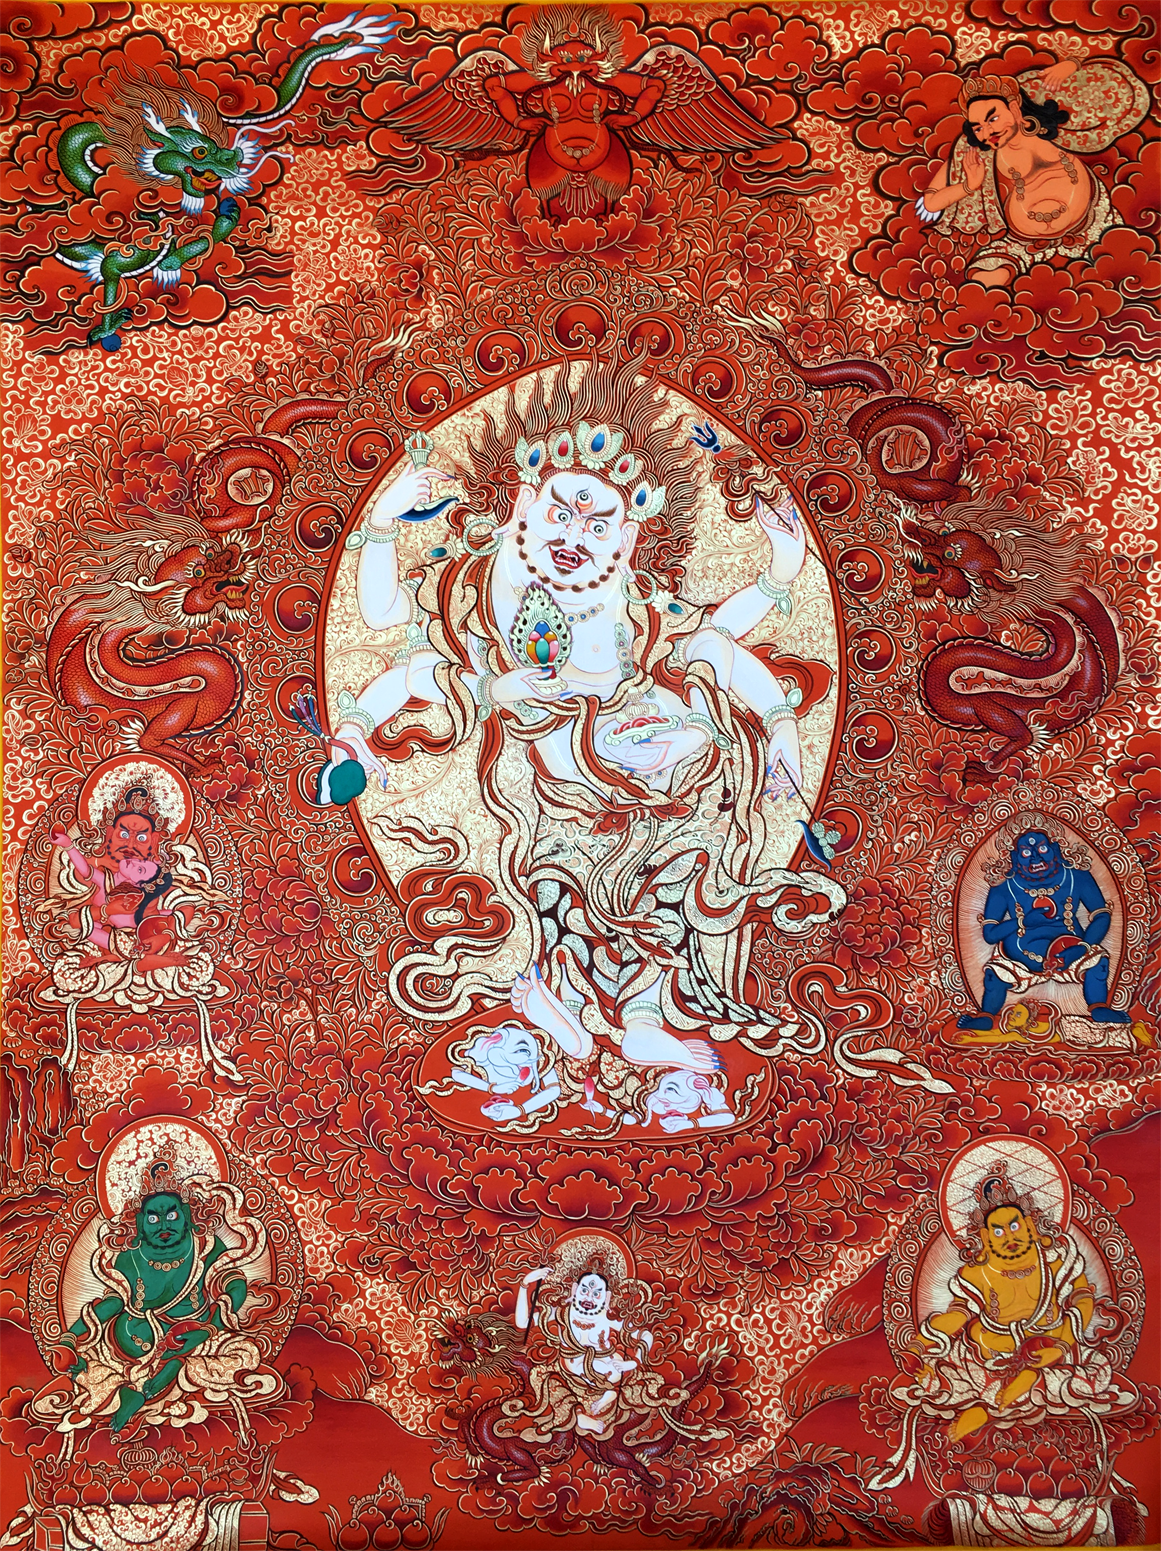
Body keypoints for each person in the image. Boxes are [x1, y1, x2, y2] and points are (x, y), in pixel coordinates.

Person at [326, 360, 844, 1070]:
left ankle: (639, 1015)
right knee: (573, 868)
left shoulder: (631, 601)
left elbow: (713, 640)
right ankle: (561, 997)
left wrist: (780, 696)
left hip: (648, 759)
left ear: (626, 541)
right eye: (561, 512)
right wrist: (382, 524)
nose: (575, 535)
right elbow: (390, 623)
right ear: (522, 503)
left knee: (692, 805)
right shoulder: (477, 585)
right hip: (553, 768)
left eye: (600, 524)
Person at [916, 58, 1149, 287]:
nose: (987, 132)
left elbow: (1124, 90)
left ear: (1014, 108)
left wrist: (1073, 64)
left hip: (1093, 226)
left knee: (1129, 268)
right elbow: (932, 202)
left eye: (993, 119)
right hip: (1021, 245)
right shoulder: (976, 156)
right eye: (978, 127)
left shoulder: (1058, 131)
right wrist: (969, 186)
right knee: (982, 282)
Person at [904, 1171, 1095, 1441]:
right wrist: (919, 1344)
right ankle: (1000, 1399)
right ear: (986, 1237)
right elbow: (958, 1315)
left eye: (1014, 1226)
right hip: (988, 1353)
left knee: (1082, 1374)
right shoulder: (977, 1272)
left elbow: (1083, 1300)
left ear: (1029, 1225)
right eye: (998, 1231)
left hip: (1049, 1347)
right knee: (940, 1378)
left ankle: (1004, 1397)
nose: (1008, 1236)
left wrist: (1061, 1347)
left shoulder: (1056, 1258)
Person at [958, 824, 1129, 1030]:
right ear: (1015, 858)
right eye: (1026, 853)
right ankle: (986, 1015)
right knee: (995, 975)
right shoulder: (1004, 887)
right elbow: (990, 934)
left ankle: (1099, 1007)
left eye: (1042, 849)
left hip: (1070, 952)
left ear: (1055, 850)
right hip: (1019, 959)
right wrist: (1022, 922)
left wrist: (1082, 948)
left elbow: (1102, 915)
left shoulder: (1076, 877)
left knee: (1098, 961)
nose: (1036, 859)